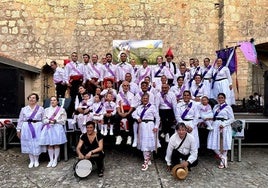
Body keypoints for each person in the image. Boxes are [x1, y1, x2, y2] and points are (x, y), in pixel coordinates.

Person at [16, 93, 46, 168]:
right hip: (27, 127)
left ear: (36, 100)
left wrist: (44, 127)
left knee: (36, 143)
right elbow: (20, 120)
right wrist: (18, 130)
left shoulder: (41, 109)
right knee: (29, 142)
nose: (31, 99)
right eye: (30, 97)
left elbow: (44, 119)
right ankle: (31, 160)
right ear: (28, 99)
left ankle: (36, 160)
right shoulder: (24, 109)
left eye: (33, 98)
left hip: (37, 127)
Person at [132, 93, 160, 171]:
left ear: (148, 99)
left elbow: (157, 118)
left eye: (146, 98)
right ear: (141, 99)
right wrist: (137, 117)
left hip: (150, 125)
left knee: (150, 142)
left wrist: (156, 126)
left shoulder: (152, 107)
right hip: (142, 125)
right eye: (143, 98)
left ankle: (148, 159)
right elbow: (133, 114)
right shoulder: (139, 107)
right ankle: (146, 159)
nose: (145, 99)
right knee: (144, 142)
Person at [207, 93, 235, 169]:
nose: (220, 99)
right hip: (215, 125)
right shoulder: (215, 107)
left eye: (222, 98)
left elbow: (232, 119)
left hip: (224, 126)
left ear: (224, 98)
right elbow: (213, 116)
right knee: (213, 142)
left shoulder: (228, 107)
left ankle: (223, 160)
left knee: (224, 143)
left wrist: (224, 124)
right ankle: (222, 157)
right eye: (219, 98)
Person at [40, 96, 67, 168]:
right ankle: (51, 160)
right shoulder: (46, 110)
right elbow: (43, 119)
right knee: (49, 144)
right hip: (48, 127)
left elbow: (64, 121)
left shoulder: (61, 110)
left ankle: (55, 160)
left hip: (57, 128)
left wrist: (56, 121)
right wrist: (48, 121)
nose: (52, 101)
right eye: (51, 100)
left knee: (56, 144)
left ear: (57, 101)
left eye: (54, 100)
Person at [114, 81, 135, 145]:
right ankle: (118, 136)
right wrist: (120, 113)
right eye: (124, 86)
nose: (126, 87)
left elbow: (132, 106)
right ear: (122, 86)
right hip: (121, 111)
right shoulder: (119, 95)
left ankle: (129, 136)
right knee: (116, 117)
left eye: (127, 86)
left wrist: (128, 113)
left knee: (131, 118)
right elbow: (117, 105)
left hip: (129, 111)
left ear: (129, 87)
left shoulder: (132, 95)